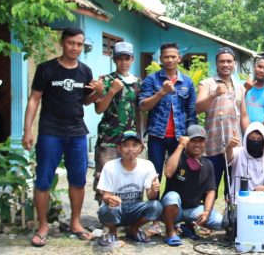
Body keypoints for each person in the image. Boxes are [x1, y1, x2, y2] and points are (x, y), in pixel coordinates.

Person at [22, 27, 104, 247]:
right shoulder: (46, 69)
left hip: (77, 133)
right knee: (43, 181)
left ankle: (75, 223)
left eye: (79, 44)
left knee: (78, 180)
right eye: (71, 43)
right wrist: (27, 129)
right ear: (62, 43)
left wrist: (98, 91)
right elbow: (34, 99)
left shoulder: (85, 71)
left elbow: (86, 101)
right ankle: (43, 226)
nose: (75, 48)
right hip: (50, 132)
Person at [93, 42, 141, 205]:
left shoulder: (137, 82)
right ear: (114, 60)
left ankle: (127, 214)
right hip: (109, 138)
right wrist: (112, 91)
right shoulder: (106, 80)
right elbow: (99, 109)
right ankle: (106, 216)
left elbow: (139, 110)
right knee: (104, 176)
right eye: (120, 58)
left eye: (127, 58)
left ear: (132, 59)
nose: (123, 62)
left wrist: (139, 136)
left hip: (129, 138)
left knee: (129, 177)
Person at [197, 47, 250, 196]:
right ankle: (207, 217)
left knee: (233, 189)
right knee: (209, 189)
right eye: (222, 61)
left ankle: (231, 218)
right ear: (216, 63)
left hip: (235, 147)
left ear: (234, 63)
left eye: (229, 61)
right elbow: (198, 108)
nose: (225, 64)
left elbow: (244, 116)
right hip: (213, 146)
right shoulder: (206, 83)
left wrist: (249, 137)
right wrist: (213, 94)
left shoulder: (240, 87)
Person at [139, 42, 198, 177]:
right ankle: (155, 199)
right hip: (157, 136)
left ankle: (171, 199)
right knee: (155, 175)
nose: (170, 60)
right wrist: (161, 92)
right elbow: (143, 106)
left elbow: (191, 111)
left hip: (179, 137)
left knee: (178, 176)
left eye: (173, 57)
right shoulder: (151, 80)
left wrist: (189, 135)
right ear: (161, 59)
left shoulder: (187, 82)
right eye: (166, 57)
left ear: (179, 58)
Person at [96, 131, 163, 247]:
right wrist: (111, 199)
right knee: (108, 208)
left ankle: (134, 229)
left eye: (134, 145)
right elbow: (105, 196)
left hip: (134, 210)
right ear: (119, 148)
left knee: (156, 206)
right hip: (116, 210)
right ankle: (112, 232)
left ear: (141, 148)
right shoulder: (110, 167)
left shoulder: (147, 165)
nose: (130, 149)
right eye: (126, 145)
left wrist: (154, 189)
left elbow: (151, 197)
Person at [161, 125, 223, 246]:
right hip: (175, 209)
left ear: (205, 143)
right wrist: (180, 146)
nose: (197, 144)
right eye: (193, 141)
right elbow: (168, 173)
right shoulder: (177, 157)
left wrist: (207, 212)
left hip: (193, 209)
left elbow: (211, 191)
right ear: (187, 141)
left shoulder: (208, 164)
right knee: (171, 196)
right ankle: (170, 231)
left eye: (200, 141)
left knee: (219, 222)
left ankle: (187, 226)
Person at [224, 122, 264, 196]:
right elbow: (228, 157)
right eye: (252, 138)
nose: (255, 142)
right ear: (246, 138)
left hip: (259, 200)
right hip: (237, 200)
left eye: (259, 139)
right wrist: (230, 147)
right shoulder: (238, 152)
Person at [244, 56, 264, 124]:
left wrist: (260, 128)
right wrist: (246, 90)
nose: (261, 70)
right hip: (243, 130)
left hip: (263, 131)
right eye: (259, 66)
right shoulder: (243, 85)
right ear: (254, 67)